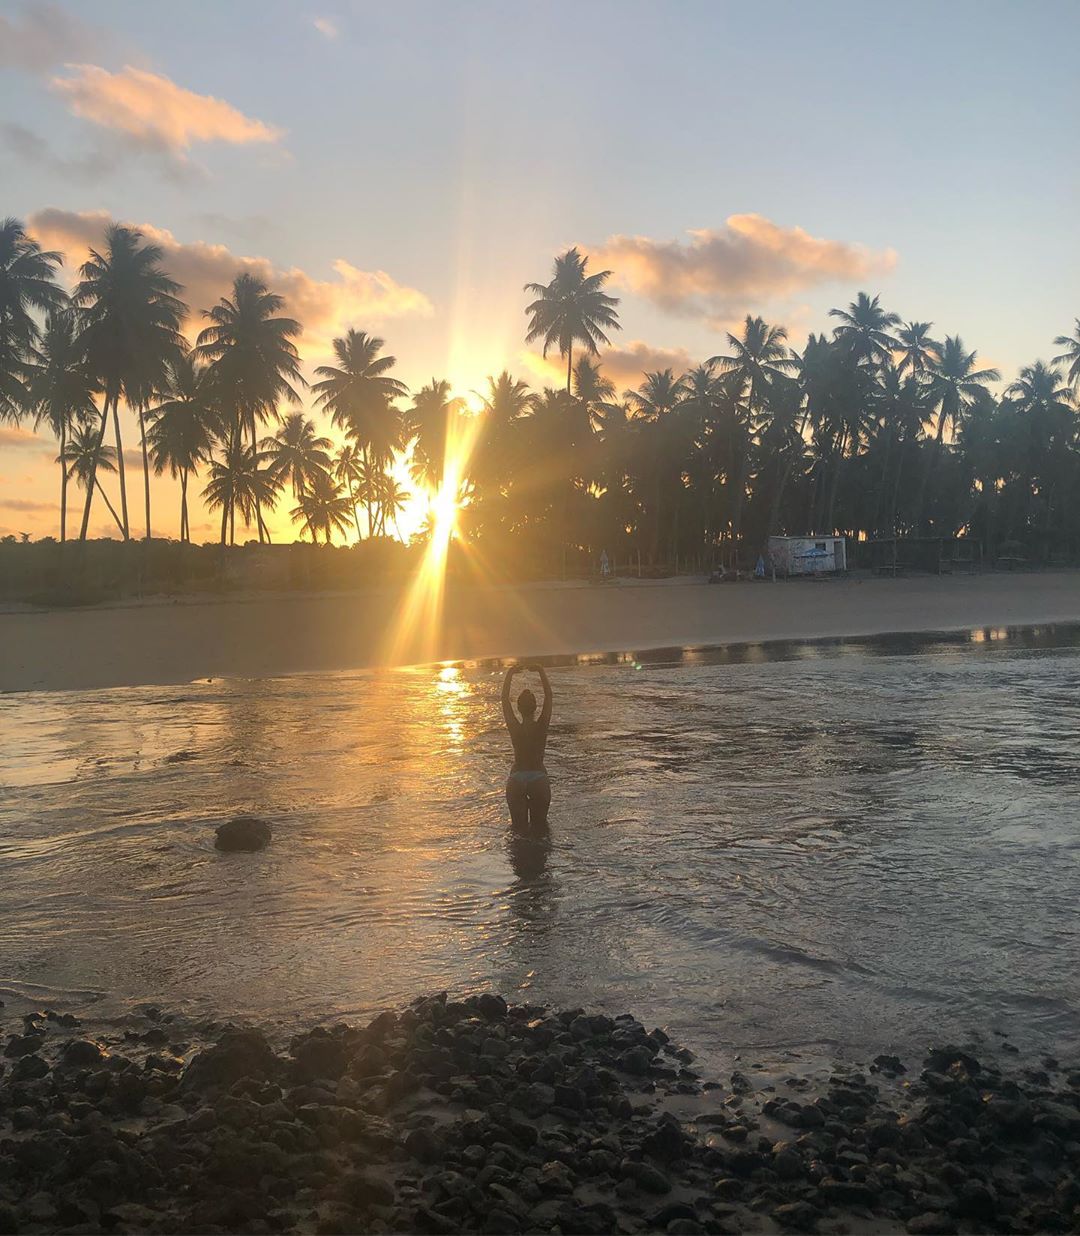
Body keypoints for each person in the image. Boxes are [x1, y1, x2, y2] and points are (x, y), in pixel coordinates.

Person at [501, 663, 552, 831]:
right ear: (535, 707)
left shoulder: (514, 727)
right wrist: (540, 670)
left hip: (516, 779)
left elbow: (504, 699)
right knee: (540, 829)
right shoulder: (542, 725)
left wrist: (510, 673)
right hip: (538, 778)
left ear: (519, 708)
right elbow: (549, 696)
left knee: (518, 831)